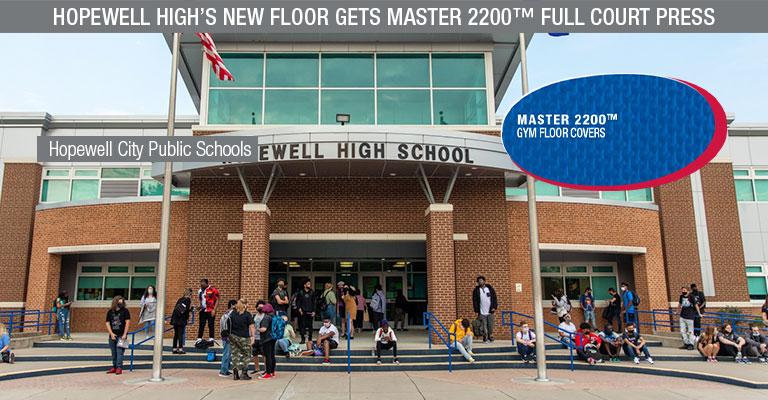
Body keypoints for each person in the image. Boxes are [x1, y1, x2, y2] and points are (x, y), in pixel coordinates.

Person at [228, 299, 255, 380]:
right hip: (244, 337)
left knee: (235, 354)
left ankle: (235, 373)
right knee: (247, 354)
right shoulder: (247, 314)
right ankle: (244, 373)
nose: (248, 305)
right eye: (247, 304)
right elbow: (252, 326)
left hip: (233, 337)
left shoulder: (232, 313)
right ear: (244, 305)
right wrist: (253, 337)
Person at [105, 295, 131, 375]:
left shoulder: (125, 311)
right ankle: (114, 367)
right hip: (112, 336)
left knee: (120, 353)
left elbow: (127, 323)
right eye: (119, 302)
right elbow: (107, 323)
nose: (121, 304)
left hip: (122, 335)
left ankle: (119, 368)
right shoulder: (110, 312)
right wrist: (111, 333)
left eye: (122, 302)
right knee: (113, 353)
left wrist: (124, 334)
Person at [472, 276, 498, 343]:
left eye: (481, 280)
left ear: (484, 281)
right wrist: (476, 310)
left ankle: (490, 337)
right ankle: (485, 338)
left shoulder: (490, 289)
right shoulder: (476, 290)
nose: (480, 282)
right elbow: (474, 301)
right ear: (478, 282)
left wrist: (494, 307)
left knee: (490, 325)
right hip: (481, 311)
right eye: (479, 281)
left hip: (490, 311)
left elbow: (494, 298)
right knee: (483, 326)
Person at [196, 278, 220, 347]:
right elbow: (201, 300)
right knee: (201, 325)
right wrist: (199, 307)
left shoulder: (213, 290)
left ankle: (211, 338)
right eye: (200, 284)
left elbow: (217, 299)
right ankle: (199, 338)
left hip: (210, 310)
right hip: (203, 310)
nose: (201, 285)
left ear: (207, 283)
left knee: (211, 324)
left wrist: (214, 310)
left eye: (203, 284)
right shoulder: (200, 291)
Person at [218, 299, 238, 378]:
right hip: (227, 337)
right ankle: (223, 371)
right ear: (232, 305)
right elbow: (227, 327)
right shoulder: (230, 315)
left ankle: (225, 369)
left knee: (228, 354)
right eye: (236, 304)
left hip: (225, 336)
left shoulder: (226, 314)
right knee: (227, 354)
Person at [170, 288, 193, 354]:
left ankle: (174, 349)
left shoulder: (180, 299)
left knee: (176, 334)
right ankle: (180, 349)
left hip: (175, 318)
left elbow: (177, 308)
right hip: (181, 319)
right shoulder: (188, 300)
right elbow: (186, 311)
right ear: (190, 293)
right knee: (180, 334)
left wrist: (189, 310)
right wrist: (187, 318)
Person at [257, 303, 277, 380]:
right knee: (272, 355)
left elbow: (264, 329)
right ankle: (272, 372)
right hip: (273, 338)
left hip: (266, 339)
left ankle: (268, 374)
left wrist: (257, 329)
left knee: (268, 356)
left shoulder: (266, 317)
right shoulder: (273, 316)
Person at [296, 279, 316, 344]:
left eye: (309, 284)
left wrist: (314, 311)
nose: (309, 285)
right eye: (308, 284)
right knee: (302, 326)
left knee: (310, 326)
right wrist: (299, 309)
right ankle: (303, 339)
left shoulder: (312, 292)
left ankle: (310, 339)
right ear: (304, 285)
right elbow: (298, 302)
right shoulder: (300, 292)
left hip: (310, 311)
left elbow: (314, 302)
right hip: (302, 312)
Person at [251, 300, 266, 375]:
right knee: (254, 353)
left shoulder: (265, 316)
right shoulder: (254, 316)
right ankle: (256, 368)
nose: (260, 308)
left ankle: (266, 369)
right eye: (259, 307)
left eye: (261, 307)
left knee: (264, 354)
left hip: (262, 338)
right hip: (255, 337)